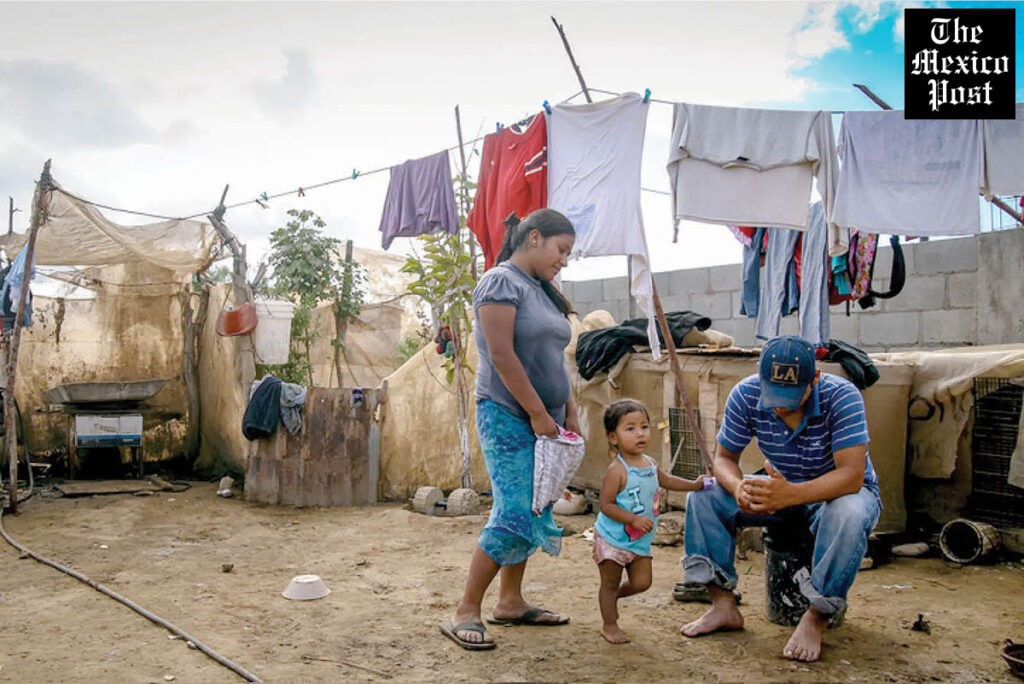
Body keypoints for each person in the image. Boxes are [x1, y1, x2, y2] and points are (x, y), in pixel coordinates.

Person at [679, 335, 881, 663]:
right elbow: (724, 460)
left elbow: (851, 476)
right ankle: (723, 605)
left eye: (791, 396)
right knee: (706, 493)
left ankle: (817, 616)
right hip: (781, 490)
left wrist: (793, 494)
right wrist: (738, 487)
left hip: (834, 494)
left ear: (815, 380)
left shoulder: (842, 396)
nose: (781, 406)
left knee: (850, 513)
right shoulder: (746, 393)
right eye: (773, 395)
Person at [440, 209, 578, 651]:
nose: (563, 260)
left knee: (533, 509)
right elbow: (501, 354)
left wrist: (569, 410)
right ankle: (466, 610)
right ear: (534, 238)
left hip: (546, 418)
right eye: (561, 250)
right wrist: (537, 413)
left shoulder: (543, 290)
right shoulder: (500, 282)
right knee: (514, 511)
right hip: (507, 414)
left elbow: (554, 360)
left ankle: (511, 602)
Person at [594, 398, 708, 644]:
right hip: (612, 539)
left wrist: (694, 485)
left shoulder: (651, 464)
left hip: (639, 541)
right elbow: (606, 505)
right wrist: (632, 518)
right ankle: (609, 624)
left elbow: (667, 481)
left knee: (642, 583)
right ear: (613, 437)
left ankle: (610, 597)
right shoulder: (617, 470)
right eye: (630, 428)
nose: (640, 433)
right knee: (609, 582)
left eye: (644, 426)